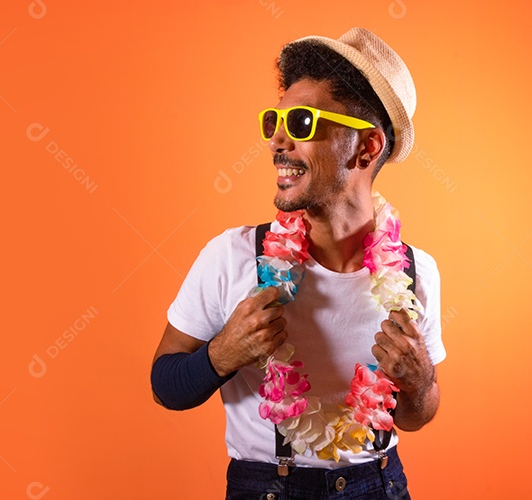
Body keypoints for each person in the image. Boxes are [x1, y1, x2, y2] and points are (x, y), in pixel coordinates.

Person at [150, 27, 446, 499]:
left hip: (380, 485)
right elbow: (165, 385)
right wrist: (220, 355)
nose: (276, 142)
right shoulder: (233, 256)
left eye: (302, 123)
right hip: (269, 488)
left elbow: (416, 416)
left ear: (366, 148)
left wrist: (421, 381)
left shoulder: (415, 271)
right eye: (274, 121)